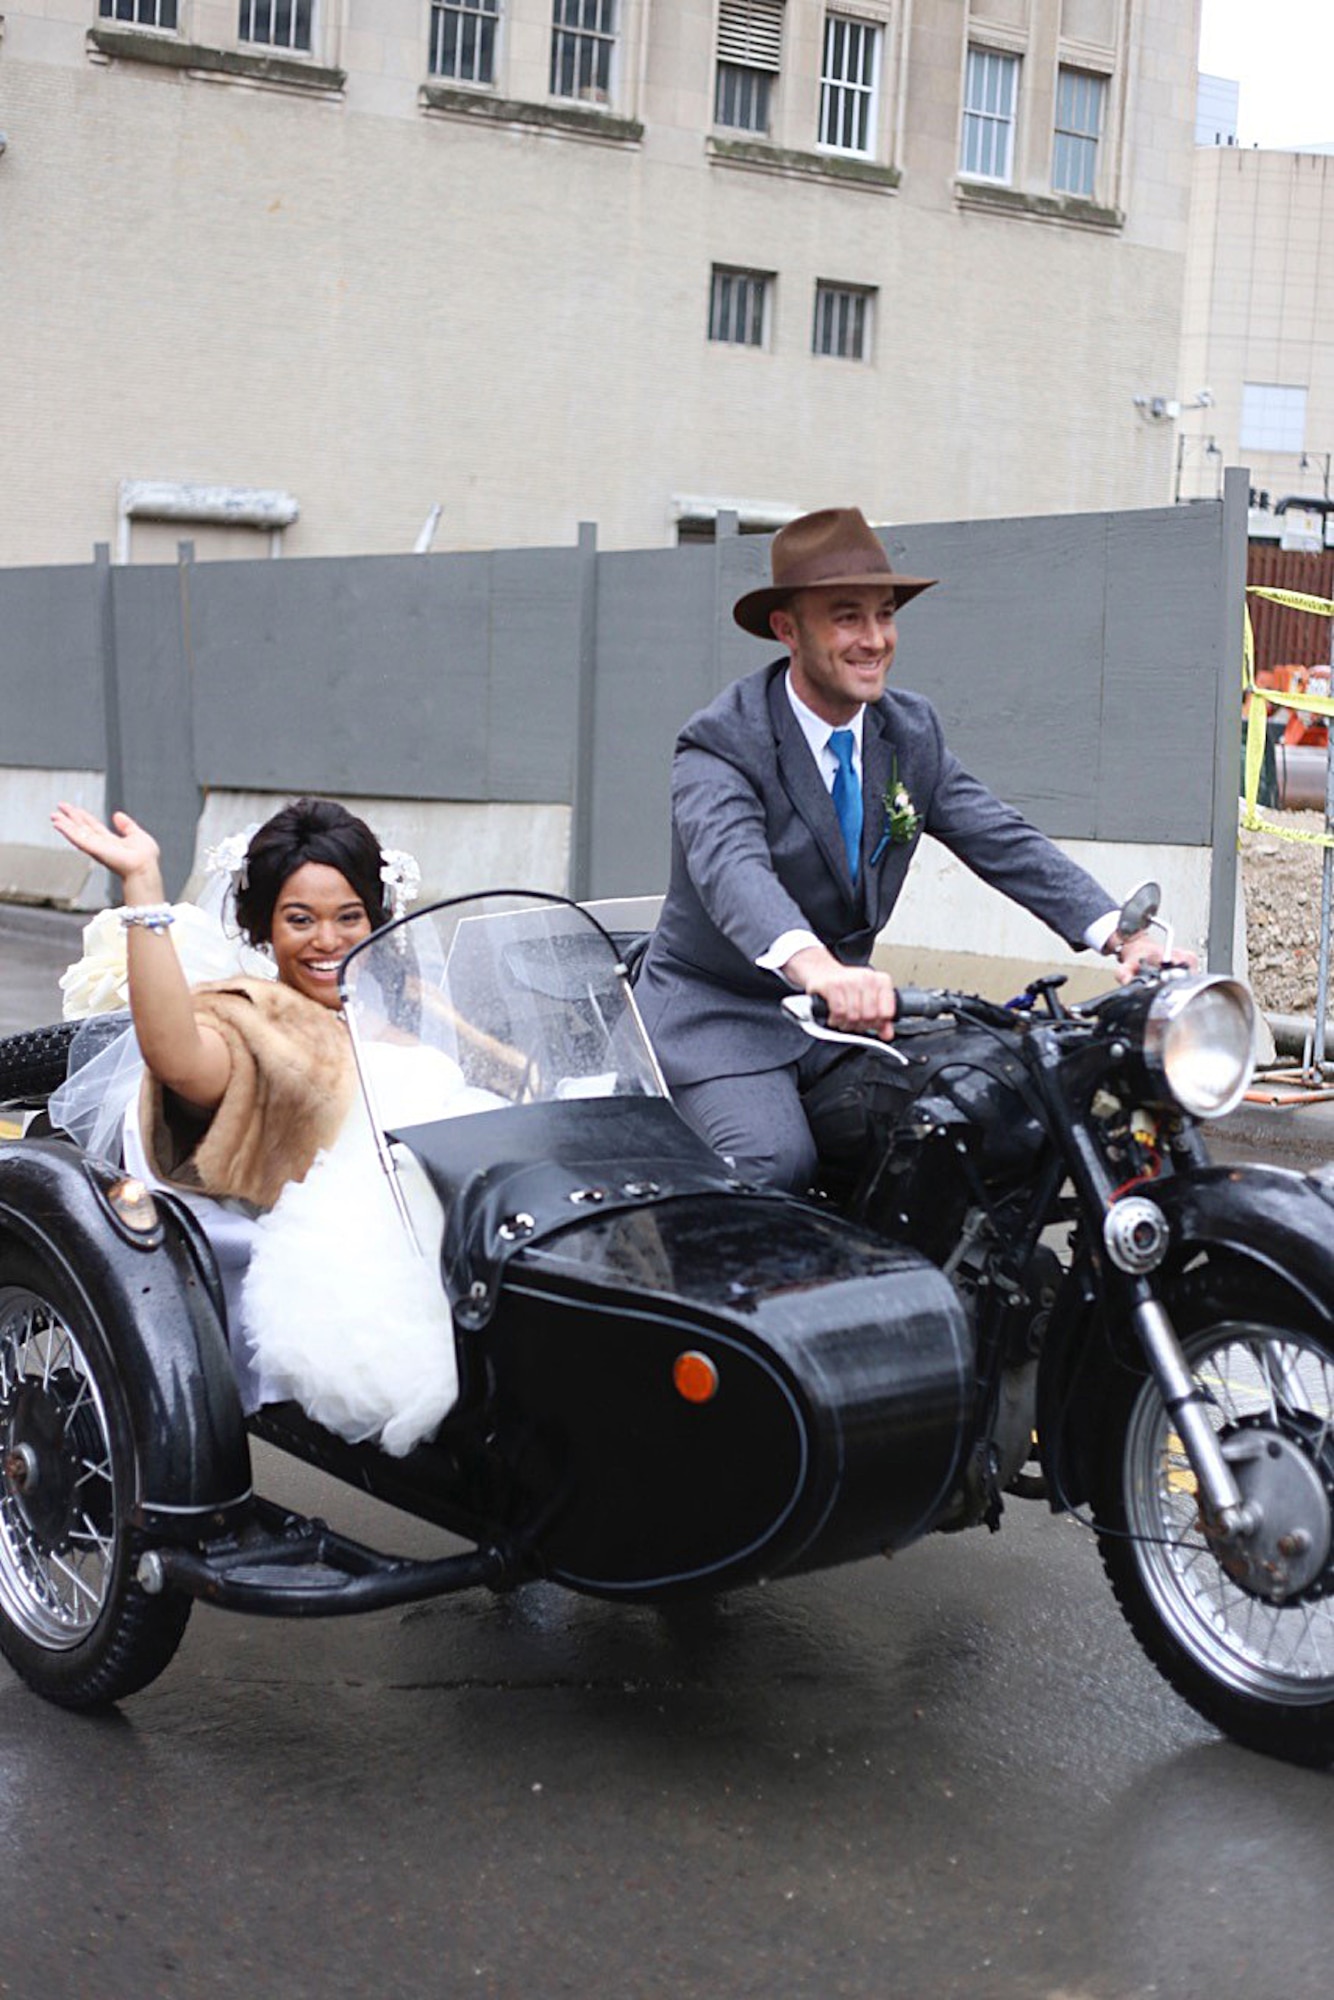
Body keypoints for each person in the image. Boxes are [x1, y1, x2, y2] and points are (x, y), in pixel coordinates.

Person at [634, 507, 1169, 1191]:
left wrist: (1118, 935)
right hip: (723, 1016)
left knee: (971, 1119)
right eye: (847, 617)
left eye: (885, 615)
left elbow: (998, 836)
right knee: (774, 1162)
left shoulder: (907, 730)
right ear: (786, 629)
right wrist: (820, 968)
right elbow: (732, 869)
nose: (875, 639)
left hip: (833, 1029)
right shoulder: (722, 742)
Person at [49, 795, 462, 1455]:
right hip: (355, 1267)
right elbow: (178, 1059)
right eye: (301, 920)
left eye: (348, 917)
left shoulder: (407, 1020)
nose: (327, 940)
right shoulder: (252, 1020)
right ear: (266, 929)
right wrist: (144, 889)